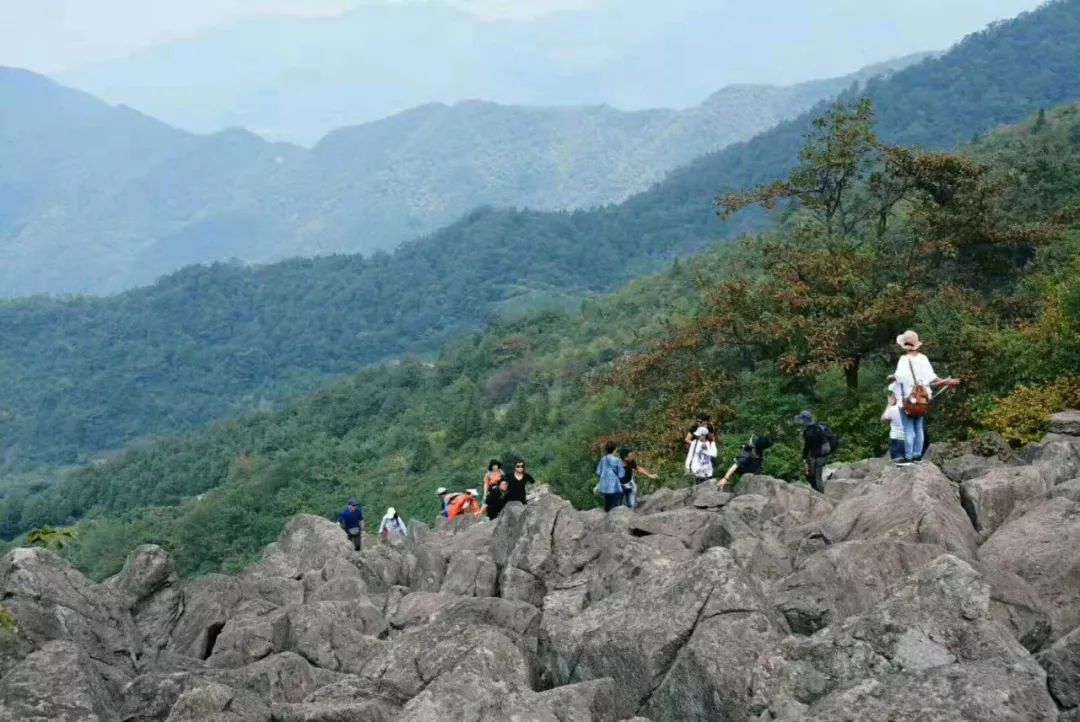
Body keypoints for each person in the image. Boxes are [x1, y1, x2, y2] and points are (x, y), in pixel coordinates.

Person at [893, 330, 960, 466]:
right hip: (923, 399)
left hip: (908, 400)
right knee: (919, 428)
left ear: (904, 346)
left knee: (908, 429)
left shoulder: (903, 360)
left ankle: (908, 457)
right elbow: (933, 377)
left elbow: (898, 377)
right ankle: (918, 455)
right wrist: (946, 381)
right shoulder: (923, 359)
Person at [795, 411, 833, 493]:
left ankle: (821, 497)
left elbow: (807, 446)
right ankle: (818, 494)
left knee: (816, 478)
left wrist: (803, 457)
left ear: (805, 420)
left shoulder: (809, 432)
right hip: (823, 454)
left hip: (818, 456)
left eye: (801, 419)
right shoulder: (817, 427)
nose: (800, 422)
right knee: (812, 475)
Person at [595, 442, 626, 512]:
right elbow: (621, 474)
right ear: (614, 450)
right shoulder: (617, 460)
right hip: (614, 485)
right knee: (616, 503)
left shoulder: (603, 459)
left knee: (608, 502)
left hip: (605, 485)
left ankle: (607, 515)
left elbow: (598, 472)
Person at [881, 388, 905, 462]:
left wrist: (889, 404)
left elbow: (883, 419)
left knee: (897, 466)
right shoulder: (913, 408)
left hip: (897, 440)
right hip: (911, 440)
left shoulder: (892, 409)